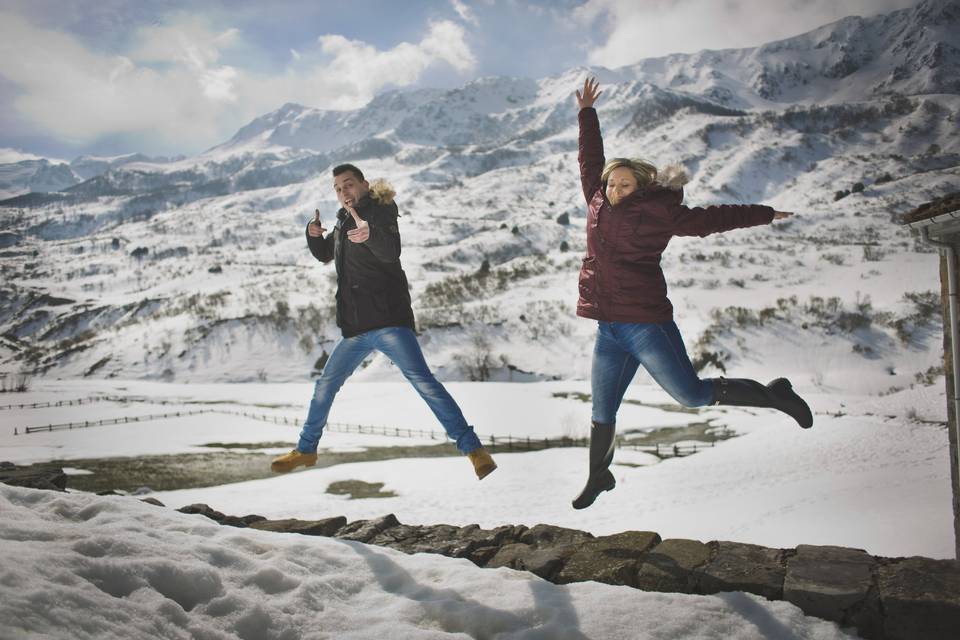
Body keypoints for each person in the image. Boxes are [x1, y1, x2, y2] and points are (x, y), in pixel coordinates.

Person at [571, 78, 812, 510]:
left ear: (641, 185)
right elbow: (591, 159)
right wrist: (587, 113)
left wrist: (765, 213)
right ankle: (598, 475)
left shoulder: (660, 213)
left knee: (692, 395)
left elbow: (712, 219)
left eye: (625, 184)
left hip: (646, 325)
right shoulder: (597, 200)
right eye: (612, 184)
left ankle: (774, 394)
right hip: (609, 327)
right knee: (602, 408)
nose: (615, 190)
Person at [270, 163, 497, 480]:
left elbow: (390, 252)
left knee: (424, 383)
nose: (343, 192)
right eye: (337, 189)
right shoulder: (343, 221)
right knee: (325, 387)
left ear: (363, 184)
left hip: (389, 320)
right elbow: (325, 254)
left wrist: (371, 234)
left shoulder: (381, 211)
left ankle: (474, 451)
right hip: (355, 328)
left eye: (348, 185)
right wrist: (312, 235)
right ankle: (306, 450)